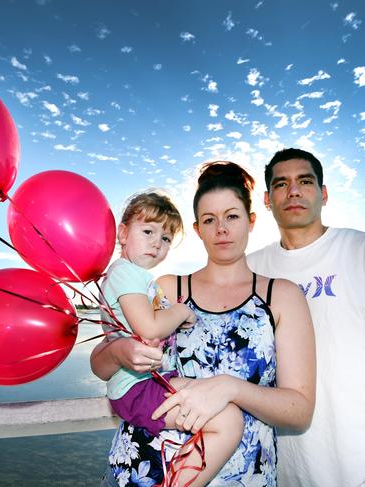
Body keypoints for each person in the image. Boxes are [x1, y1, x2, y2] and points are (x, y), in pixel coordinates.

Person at [92, 162, 316, 487]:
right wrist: (119, 352)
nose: (221, 229)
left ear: (251, 221)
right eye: (209, 220)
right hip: (141, 470)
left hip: (242, 476)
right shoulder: (168, 289)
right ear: (198, 229)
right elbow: (102, 364)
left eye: (232, 216)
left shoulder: (280, 296)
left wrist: (231, 387)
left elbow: (300, 411)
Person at [246, 147, 365, 487]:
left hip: (358, 472)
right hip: (275, 472)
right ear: (267, 200)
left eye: (305, 181)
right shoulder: (251, 269)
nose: (293, 190)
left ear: (323, 194)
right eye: (281, 184)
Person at [99, 191, 245, 487]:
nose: (157, 243)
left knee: (219, 413)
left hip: (139, 384)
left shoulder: (135, 277)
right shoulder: (127, 274)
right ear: (123, 234)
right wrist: (180, 312)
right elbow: (150, 328)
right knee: (228, 422)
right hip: (137, 388)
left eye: (166, 239)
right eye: (148, 231)